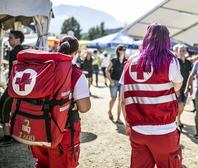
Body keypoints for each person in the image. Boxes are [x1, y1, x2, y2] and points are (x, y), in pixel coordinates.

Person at [119, 23, 183, 168]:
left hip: (138, 130)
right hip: (164, 131)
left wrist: (128, 124)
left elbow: (123, 100)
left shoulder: (129, 62)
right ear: (166, 39)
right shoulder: (170, 61)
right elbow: (177, 86)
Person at [30, 36, 91, 168]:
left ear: (58, 47)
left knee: (42, 164)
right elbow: (84, 107)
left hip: (39, 127)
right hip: (64, 130)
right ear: (76, 52)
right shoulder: (76, 74)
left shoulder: (44, 69)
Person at [0, 30, 24, 146]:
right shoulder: (23, 51)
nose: (9, 40)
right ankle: (14, 135)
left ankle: (7, 136)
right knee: (14, 110)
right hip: (22, 87)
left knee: (4, 108)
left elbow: (16, 70)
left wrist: (11, 86)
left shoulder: (15, 52)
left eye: (11, 38)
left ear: (18, 39)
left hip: (14, 86)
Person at [106, 45, 127, 124]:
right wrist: (110, 80)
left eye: (125, 50)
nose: (124, 51)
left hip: (122, 83)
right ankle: (109, 111)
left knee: (121, 101)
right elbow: (107, 70)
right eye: (122, 49)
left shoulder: (126, 61)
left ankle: (118, 118)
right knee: (113, 99)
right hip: (114, 82)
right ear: (118, 51)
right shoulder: (113, 60)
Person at [176, 44, 192, 130]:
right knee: (180, 105)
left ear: (185, 52)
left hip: (185, 88)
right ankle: (178, 121)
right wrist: (175, 89)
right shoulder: (175, 62)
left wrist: (190, 87)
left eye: (183, 50)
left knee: (183, 105)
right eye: (180, 50)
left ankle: (177, 119)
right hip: (178, 87)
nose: (182, 52)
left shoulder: (188, 62)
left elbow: (191, 75)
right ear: (177, 52)